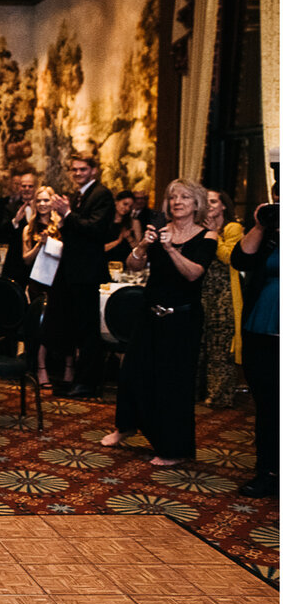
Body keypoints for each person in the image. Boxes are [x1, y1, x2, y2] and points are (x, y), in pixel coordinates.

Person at [102, 180, 213, 467]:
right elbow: (133, 265)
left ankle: (173, 449)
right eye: (173, 197)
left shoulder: (207, 236)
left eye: (185, 197)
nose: (177, 202)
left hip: (182, 319)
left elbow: (193, 274)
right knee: (132, 373)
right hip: (149, 313)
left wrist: (172, 249)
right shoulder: (160, 231)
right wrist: (143, 244)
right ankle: (125, 426)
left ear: (196, 203)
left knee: (171, 384)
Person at [46, 153, 116, 397]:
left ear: (94, 171)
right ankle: (75, 377)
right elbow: (76, 233)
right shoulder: (78, 195)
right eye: (74, 170)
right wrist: (65, 223)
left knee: (88, 330)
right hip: (73, 271)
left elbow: (96, 230)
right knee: (74, 326)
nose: (77, 174)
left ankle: (87, 382)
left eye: (82, 169)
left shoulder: (101, 194)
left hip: (88, 273)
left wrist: (67, 215)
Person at [236, 185, 276, 498]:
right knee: (267, 403)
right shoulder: (270, 229)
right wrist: (262, 223)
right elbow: (241, 259)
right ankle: (267, 471)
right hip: (263, 327)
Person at [21, 186, 70, 390]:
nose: (42, 204)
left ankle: (69, 367)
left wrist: (53, 243)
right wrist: (40, 245)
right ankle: (41, 368)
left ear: (53, 202)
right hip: (37, 281)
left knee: (66, 325)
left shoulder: (62, 224)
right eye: (38, 201)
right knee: (41, 326)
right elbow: (25, 259)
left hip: (59, 281)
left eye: (46, 200)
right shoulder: (29, 228)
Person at [203, 189, 243, 403]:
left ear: (223, 205)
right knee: (201, 344)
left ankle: (219, 395)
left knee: (220, 345)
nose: (209, 205)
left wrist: (213, 235)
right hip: (203, 290)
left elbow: (230, 257)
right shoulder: (199, 226)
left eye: (213, 201)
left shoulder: (232, 227)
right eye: (206, 201)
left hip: (224, 293)